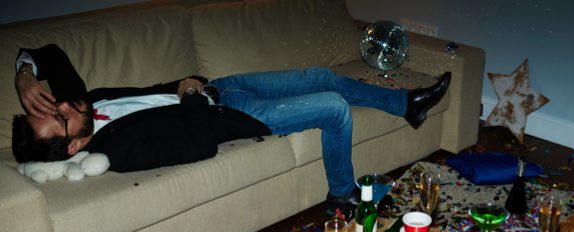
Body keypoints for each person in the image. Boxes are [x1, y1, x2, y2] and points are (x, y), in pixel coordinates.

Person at [12, 44, 451, 208]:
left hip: (223, 86)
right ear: (74, 148)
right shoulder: (119, 151)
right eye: (59, 117)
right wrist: (189, 94)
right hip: (234, 116)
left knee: (321, 75)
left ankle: (405, 104)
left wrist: (25, 75)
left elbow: (52, 54)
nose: (62, 105)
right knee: (334, 107)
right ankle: (341, 193)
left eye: (51, 104)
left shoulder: (85, 104)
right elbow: (198, 145)